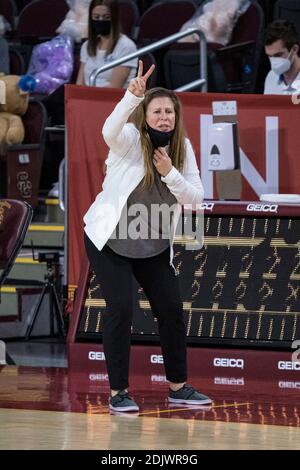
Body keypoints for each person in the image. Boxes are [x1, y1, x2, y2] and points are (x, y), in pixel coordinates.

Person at [83, 60, 212, 413]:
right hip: (110, 240)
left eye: (170, 110)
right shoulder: (128, 140)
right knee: (121, 309)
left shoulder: (182, 149)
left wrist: (170, 173)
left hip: (152, 244)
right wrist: (130, 98)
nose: (164, 116)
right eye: (157, 110)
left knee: (170, 309)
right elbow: (109, 130)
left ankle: (178, 387)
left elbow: (196, 198)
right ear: (146, 114)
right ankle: (118, 392)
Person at [76, 0, 137, 88]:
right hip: (88, 98)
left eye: (106, 17)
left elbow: (114, 87)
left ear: (114, 18)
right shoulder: (86, 45)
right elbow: (80, 84)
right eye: (96, 17)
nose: (101, 20)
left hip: (114, 99)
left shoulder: (126, 46)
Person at [264, 19, 300, 95]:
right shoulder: (271, 77)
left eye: (278, 55)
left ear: (294, 49)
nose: (274, 61)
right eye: (270, 56)